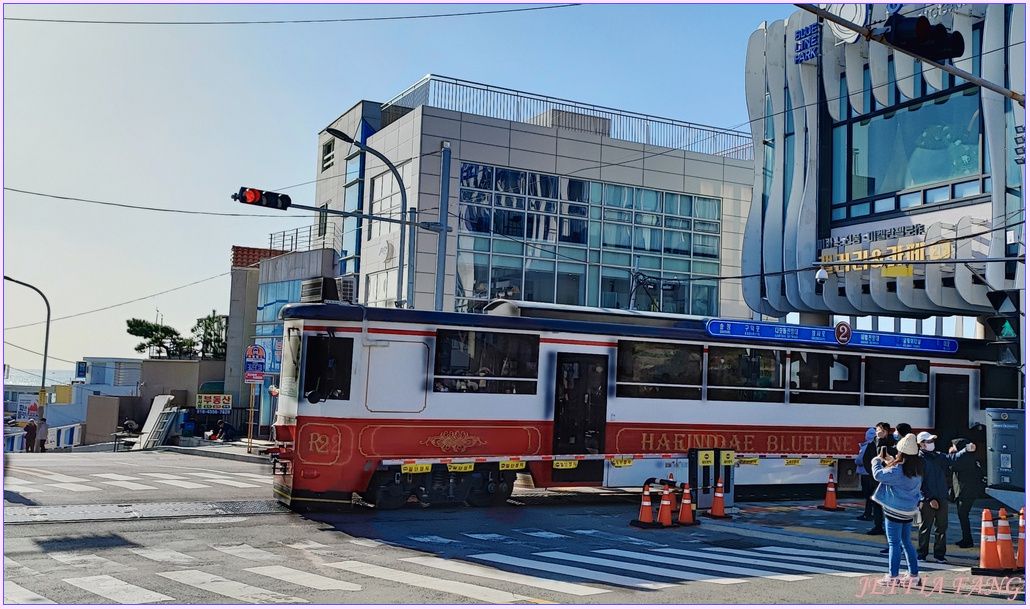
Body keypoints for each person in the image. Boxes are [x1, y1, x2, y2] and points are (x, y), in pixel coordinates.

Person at [871, 433, 924, 586]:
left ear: (901, 452)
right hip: (909, 510)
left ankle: (893, 577)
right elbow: (897, 471)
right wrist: (890, 461)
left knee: (894, 544)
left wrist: (877, 460)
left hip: (894, 510)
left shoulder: (898, 470)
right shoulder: (917, 469)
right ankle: (914, 574)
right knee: (907, 542)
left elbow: (878, 475)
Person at [916, 431, 949, 563]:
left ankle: (939, 554)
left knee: (942, 527)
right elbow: (920, 483)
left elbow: (952, 459)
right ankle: (922, 553)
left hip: (941, 496)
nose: (931, 444)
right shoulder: (919, 460)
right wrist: (929, 498)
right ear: (921, 445)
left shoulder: (938, 456)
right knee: (925, 527)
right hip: (927, 499)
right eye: (928, 441)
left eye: (932, 441)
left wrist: (965, 450)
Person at [947, 437, 982, 548]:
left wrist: (951, 454)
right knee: (962, 515)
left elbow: (951, 466)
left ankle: (968, 539)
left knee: (963, 514)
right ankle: (965, 538)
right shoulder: (967, 457)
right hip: (965, 491)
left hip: (966, 491)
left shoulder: (964, 459)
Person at [861, 422, 895, 535]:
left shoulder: (892, 444)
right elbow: (866, 459)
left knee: (890, 504)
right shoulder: (872, 444)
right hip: (876, 479)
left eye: (879, 430)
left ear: (885, 431)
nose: (877, 432)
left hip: (890, 479)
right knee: (876, 503)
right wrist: (873, 473)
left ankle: (890, 527)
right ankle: (878, 525)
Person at [855, 427, 877, 521]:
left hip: (865, 473)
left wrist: (855, 461)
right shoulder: (877, 446)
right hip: (873, 474)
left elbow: (860, 460)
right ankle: (873, 514)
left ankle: (867, 514)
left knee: (868, 496)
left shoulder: (865, 447)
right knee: (873, 495)